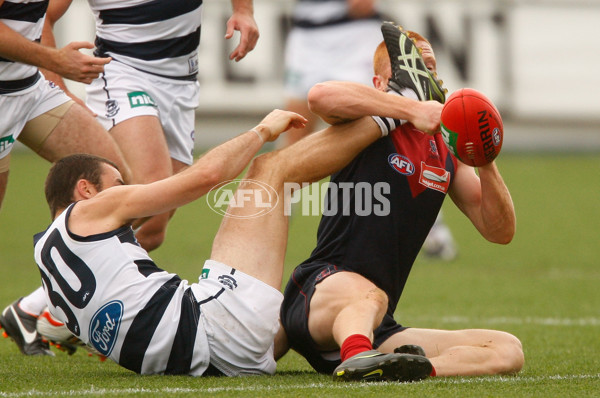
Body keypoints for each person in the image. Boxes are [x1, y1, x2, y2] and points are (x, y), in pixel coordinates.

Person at [32, 90, 443, 377]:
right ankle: (397, 113)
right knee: (270, 174)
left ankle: (348, 339)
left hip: (213, 358)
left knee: (296, 305)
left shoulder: (45, 261)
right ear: (85, 190)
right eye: (118, 181)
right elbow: (207, 176)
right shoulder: (89, 210)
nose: (125, 189)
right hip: (217, 329)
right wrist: (263, 131)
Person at [1, 0, 260, 357]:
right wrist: (56, 72)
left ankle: (35, 307)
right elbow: (46, 17)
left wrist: (243, 11)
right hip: (123, 73)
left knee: (153, 226)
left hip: (181, 81)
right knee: (146, 192)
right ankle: (48, 308)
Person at [276, 23, 524, 381]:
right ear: (380, 84)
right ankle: (359, 358)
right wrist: (409, 109)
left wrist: (484, 159)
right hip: (319, 292)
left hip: (377, 324)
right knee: (369, 295)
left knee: (506, 349)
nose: (429, 76)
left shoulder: (445, 152)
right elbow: (320, 96)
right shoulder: (369, 119)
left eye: (433, 68)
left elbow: (500, 231)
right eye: (416, 67)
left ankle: (406, 370)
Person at [0, 0, 131, 356]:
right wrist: (54, 60)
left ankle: (47, 310)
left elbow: (46, 16)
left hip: (30, 90)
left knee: (121, 191)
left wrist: (58, 80)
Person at [282, 0, 457, 260]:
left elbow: (360, 5)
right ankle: (269, 221)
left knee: (381, 123)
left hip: (353, 33)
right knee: (293, 134)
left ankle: (430, 225)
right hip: (306, 33)